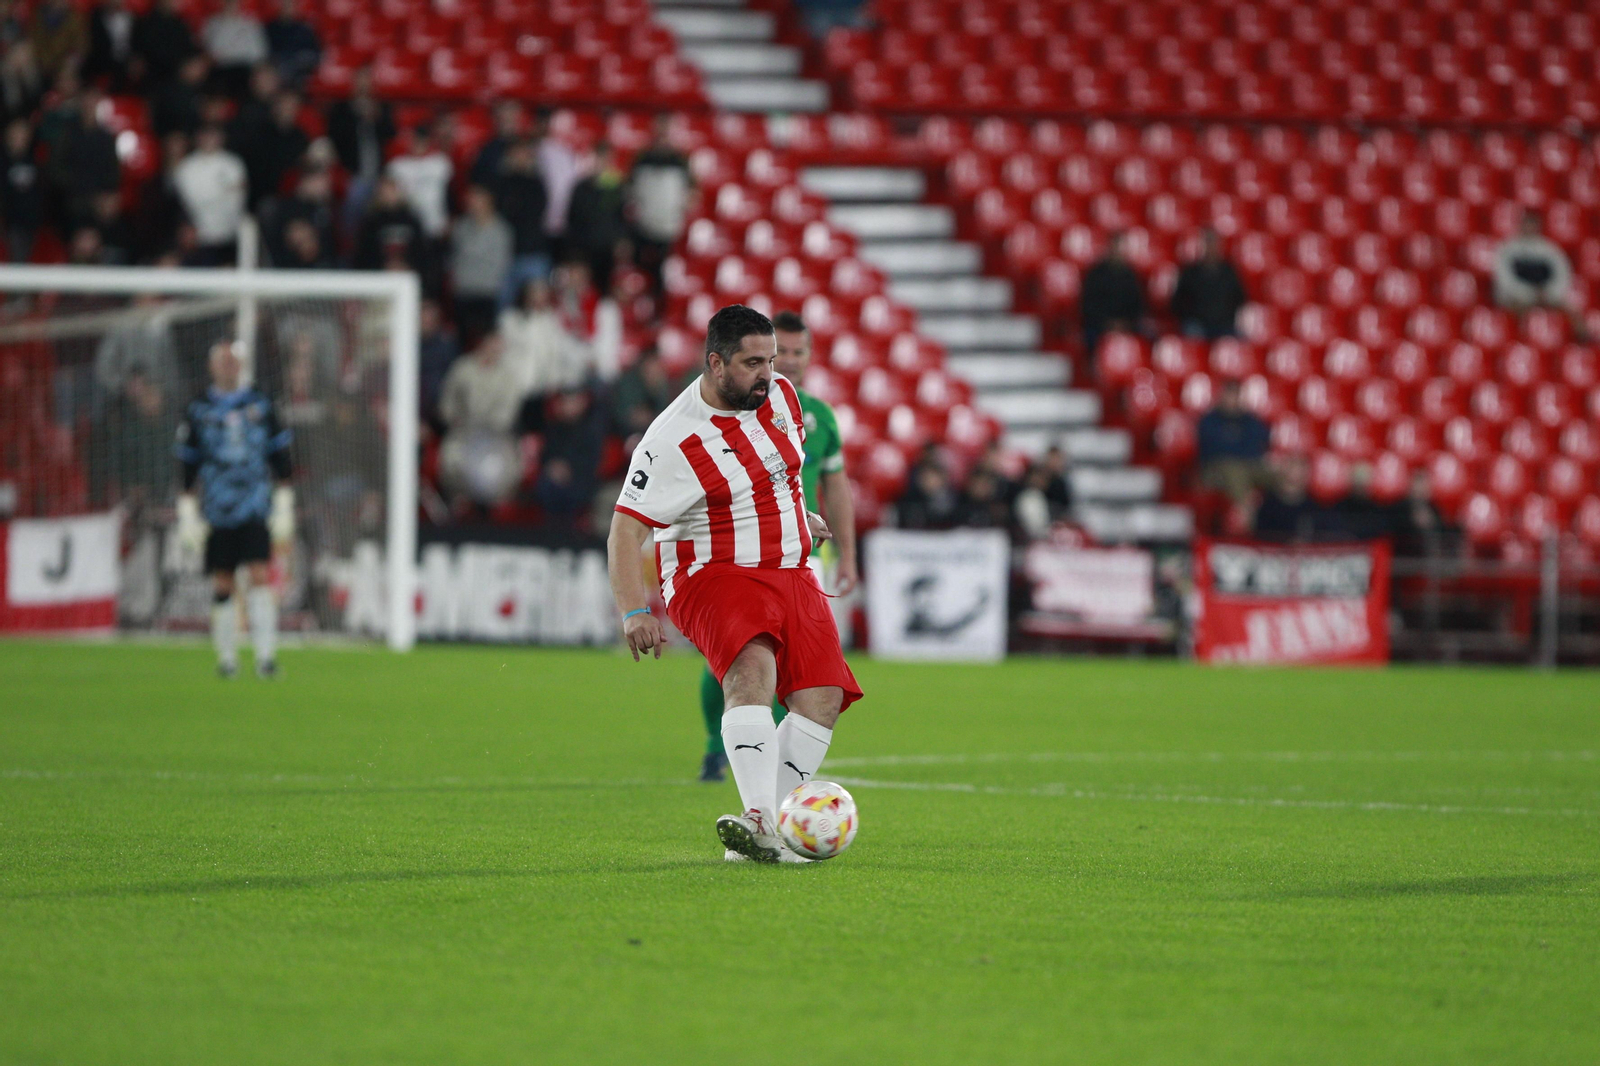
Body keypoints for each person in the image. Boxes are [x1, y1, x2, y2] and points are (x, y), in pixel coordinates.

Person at [608, 304, 860, 863]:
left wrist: (804, 524)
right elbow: (624, 532)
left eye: (772, 360)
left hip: (789, 567)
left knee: (821, 698)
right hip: (713, 572)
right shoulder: (671, 440)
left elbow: (783, 481)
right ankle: (759, 815)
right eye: (753, 363)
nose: (768, 374)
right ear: (716, 363)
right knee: (753, 670)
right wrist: (633, 612)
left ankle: (763, 835)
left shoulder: (783, 398)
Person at [690, 310, 858, 783]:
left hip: (806, 552)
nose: (790, 363)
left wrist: (848, 553)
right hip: (745, 547)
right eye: (780, 353)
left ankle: (773, 771)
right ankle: (716, 744)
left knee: (802, 670)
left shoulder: (819, 415)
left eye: (798, 352)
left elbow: (837, 487)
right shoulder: (734, 406)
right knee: (732, 661)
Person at [173, 341, 294, 679]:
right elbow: (187, 465)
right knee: (223, 582)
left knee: (259, 576)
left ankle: (266, 657)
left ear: (241, 365)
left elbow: (280, 457)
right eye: (223, 361)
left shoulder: (262, 403)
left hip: (255, 505)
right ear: (212, 366)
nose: (228, 366)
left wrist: (284, 505)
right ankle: (227, 658)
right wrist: (187, 512)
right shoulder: (198, 408)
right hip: (217, 508)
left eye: (233, 361)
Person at [628, 113, 692, 299]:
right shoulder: (642, 157)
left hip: (669, 227)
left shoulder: (680, 160)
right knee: (640, 269)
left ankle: (659, 309)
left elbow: (692, 191)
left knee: (662, 275)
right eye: (659, 127)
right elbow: (632, 188)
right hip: (644, 226)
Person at [1493, 210, 1586, 336]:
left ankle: (1581, 340)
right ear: (1521, 226)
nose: (1529, 229)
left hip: (1547, 295)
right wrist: (1529, 294)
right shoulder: (1508, 248)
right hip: (1517, 297)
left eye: (1533, 225)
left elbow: (1563, 274)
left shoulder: (1550, 249)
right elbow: (1504, 279)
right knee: (1516, 310)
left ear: (1539, 227)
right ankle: (1522, 340)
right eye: (1527, 225)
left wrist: (1549, 294)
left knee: (1572, 312)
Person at [325, 65, 393, 225]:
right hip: (352, 174)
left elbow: (391, 134)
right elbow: (335, 137)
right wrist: (356, 116)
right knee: (352, 213)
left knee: (378, 216)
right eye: (359, 80)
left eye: (366, 81)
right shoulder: (341, 109)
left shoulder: (381, 108)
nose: (363, 85)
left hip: (378, 173)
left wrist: (376, 118)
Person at [172, 123, 246, 264]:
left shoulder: (234, 164)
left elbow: (236, 200)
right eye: (205, 135)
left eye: (213, 135)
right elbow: (187, 201)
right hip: (196, 235)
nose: (209, 139)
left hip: (229, 234)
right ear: (198, 138)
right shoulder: (186, 167)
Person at [449, 184, 512, 347]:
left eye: (476, 198)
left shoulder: (500, 230)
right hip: (463, 292)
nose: (471, 203)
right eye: (470, 199)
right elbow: (455, 257)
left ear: (487, 201)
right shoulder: (461, 227)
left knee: (486, 341)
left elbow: (500, 264)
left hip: (487, 294)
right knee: (462, 342)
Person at [1196, 377, 1271, 506]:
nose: (1232, 400)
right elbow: (1215, 450)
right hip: (1215, 469)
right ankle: (1248, 519)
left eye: (1235, 396)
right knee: (1235, 471)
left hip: (1250, 465)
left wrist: (1234, 447)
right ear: (1221, 397)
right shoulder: (1209, 421)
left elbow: (1259, 444)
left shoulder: (1250, 421)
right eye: (1228, 395)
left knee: (1282, 475)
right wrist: (1241, 448)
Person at [492, 136, 550, 303]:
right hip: (506, 254)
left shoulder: (537, 183)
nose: (521, 157)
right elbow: (502, 214)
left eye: (525, 153)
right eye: (516, 153)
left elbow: (534, 213)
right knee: (504, 306)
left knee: (538, 305)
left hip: (534, 252)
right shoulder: (501, 183)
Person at [564, 140, 628, 289]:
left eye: (608, 158)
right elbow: (572, 219)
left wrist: (621, 240)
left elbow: (622, 217)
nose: (604, 162)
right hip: (583, 250)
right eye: (601, 157)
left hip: (607, 250)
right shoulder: (581, 187)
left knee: (603, 288)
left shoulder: (616, 187)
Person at [1170, 228, 1247, 340]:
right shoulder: (1190, 272)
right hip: (1198, 325)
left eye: (1214, 243)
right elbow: (1177, 303)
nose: (1211, 247)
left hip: (1224, 325)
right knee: (1192, 334)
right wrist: (1193, 315)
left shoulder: (1229, 272)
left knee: (1238, 341)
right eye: (1208, 242)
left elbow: (1240, 298)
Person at [1079, 230, 1147, 357]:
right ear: (1110, 248)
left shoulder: (1131, 275)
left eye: (1122, 248)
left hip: (1127, 325)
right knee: (1089, 336)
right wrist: (1109, 323)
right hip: (1100, 325)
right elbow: (1088, 306)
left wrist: (1125, 323)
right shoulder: (1095, 274)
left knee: (1148, 335)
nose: (1119, 252)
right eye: (1116, 247)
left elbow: (1138, 306)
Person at [201, 0, 266, 98]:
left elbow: (259, 53)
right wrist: (225, 21)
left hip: (245, 69)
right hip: (220, 68)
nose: (231, 5)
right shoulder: (213, 23)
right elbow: (210, 48)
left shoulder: (251, 23)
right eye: (228, 2)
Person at [1, 117, 42, 263]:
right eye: (15, 134)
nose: (19, 138)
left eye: (22, 133)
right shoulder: (3, 162)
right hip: (9, 224)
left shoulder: (36, 160)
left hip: (33, 224)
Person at [1253, 453, 1317, 544]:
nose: (1296, 471)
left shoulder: (1315, 507)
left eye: (1302, 466)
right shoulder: (1267, 505)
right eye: (1292, 464)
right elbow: (1260, 538)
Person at [131, 0, 197, 89]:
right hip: (154, 79)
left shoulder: (181, 25)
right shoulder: (144, 23)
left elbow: (189, 51)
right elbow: (146, 55)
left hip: (180, 78)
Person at [263, 0, 319, 88]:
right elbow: (265, 54)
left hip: (299, 72)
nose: (287, 8)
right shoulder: (270, 29)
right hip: (276, 72)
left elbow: (313, 54)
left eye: (290, 5)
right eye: (285, 5)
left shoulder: (305, 30)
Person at [82, 0, 135, 90]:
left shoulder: (131, 18)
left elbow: (136, 42)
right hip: (101, 61)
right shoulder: (95, 17)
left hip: (126, 62)